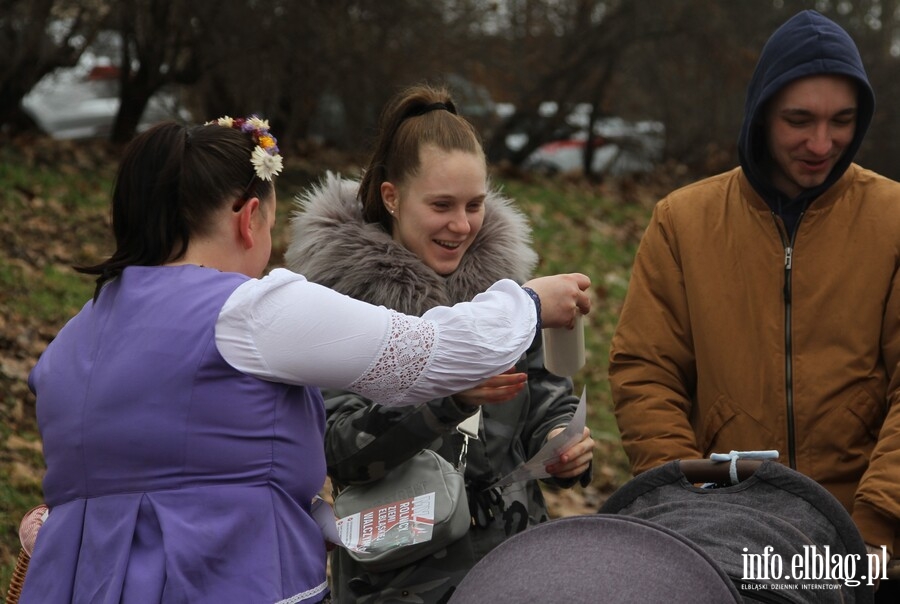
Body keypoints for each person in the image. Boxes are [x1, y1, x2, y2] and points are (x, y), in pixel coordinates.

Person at [20, 116, 592, 604]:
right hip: (222, 578)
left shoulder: (75, 337)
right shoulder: (249, 309)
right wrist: (530, 300)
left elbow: (166, 475)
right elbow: (428, 354)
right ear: (249, 219)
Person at [608, 9, 899, 600]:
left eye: (842, 121)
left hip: (864, 543)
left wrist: (875, 533)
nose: (823, 144)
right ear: (762, 111)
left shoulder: (894, 219)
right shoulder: (682, 222)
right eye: (799, 120)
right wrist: (687, 505)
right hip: (723, 537)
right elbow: (647, 371)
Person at [286, 84, 595, 602]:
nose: (461, 225)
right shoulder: (339, 304)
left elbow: (542, 387)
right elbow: (340, 451)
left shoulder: (505, 292)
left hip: (516, 569)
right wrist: (450, 397)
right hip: (400, 581)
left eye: (475, 205)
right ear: (391, 196)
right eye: (442, 205)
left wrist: (560, 439)